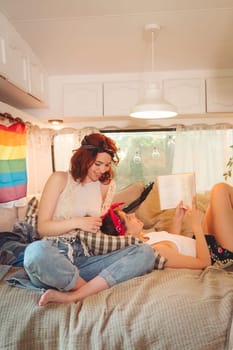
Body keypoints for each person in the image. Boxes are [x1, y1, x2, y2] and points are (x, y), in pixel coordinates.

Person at [24, 133, 156, 305]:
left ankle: (74, 295)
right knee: (35, 252)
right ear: (84, 158)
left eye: (107, 165)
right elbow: (43, 228)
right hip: (54, 258)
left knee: (145, 252)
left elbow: (99, 230)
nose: (102, 170)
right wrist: (78, 222)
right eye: (98, 164)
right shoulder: (59, 179)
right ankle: (89, 289)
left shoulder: (105, 186)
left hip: (85, 259)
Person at [101, 182, 233, 269]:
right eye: (129, 218)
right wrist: (196, 226)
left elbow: (174, 242)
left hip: (204, 240)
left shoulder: (147, 237)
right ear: (127, 235)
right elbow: (204, 263)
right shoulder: (156, 251)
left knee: (220, 191)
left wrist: (177, 218)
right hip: (217, 253)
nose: (134, 214)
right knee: (220, 190)